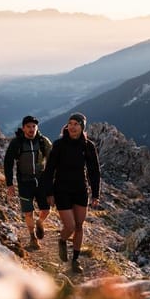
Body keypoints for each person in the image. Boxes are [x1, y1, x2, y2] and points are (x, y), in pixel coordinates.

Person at [41, 112, 101, 273]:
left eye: (76, 124)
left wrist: (96, 194)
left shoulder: (88, 146)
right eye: (70, 123)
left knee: (79, 226)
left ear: (82, 127)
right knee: (71, 226)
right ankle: (62, 240)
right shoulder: (59, 145)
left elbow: (94, 171)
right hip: (61, 190)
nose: (72, 127)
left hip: (81, 190)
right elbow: (49, 170)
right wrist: (49, 193)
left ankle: (75, 260)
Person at [3, 115, 52, 251]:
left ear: (37, 127)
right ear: (23, 128)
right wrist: (10, 184)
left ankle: (39, 222)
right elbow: (8, 162)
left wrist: (52, 180)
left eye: (34, 126)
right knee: (28, 212)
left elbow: (53, 160)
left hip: (41, 181)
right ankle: (33, 238)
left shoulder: (43, 142)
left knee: (46, 210)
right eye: (28, 126)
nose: (31, 129)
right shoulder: (17, 143)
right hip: (24, 182)